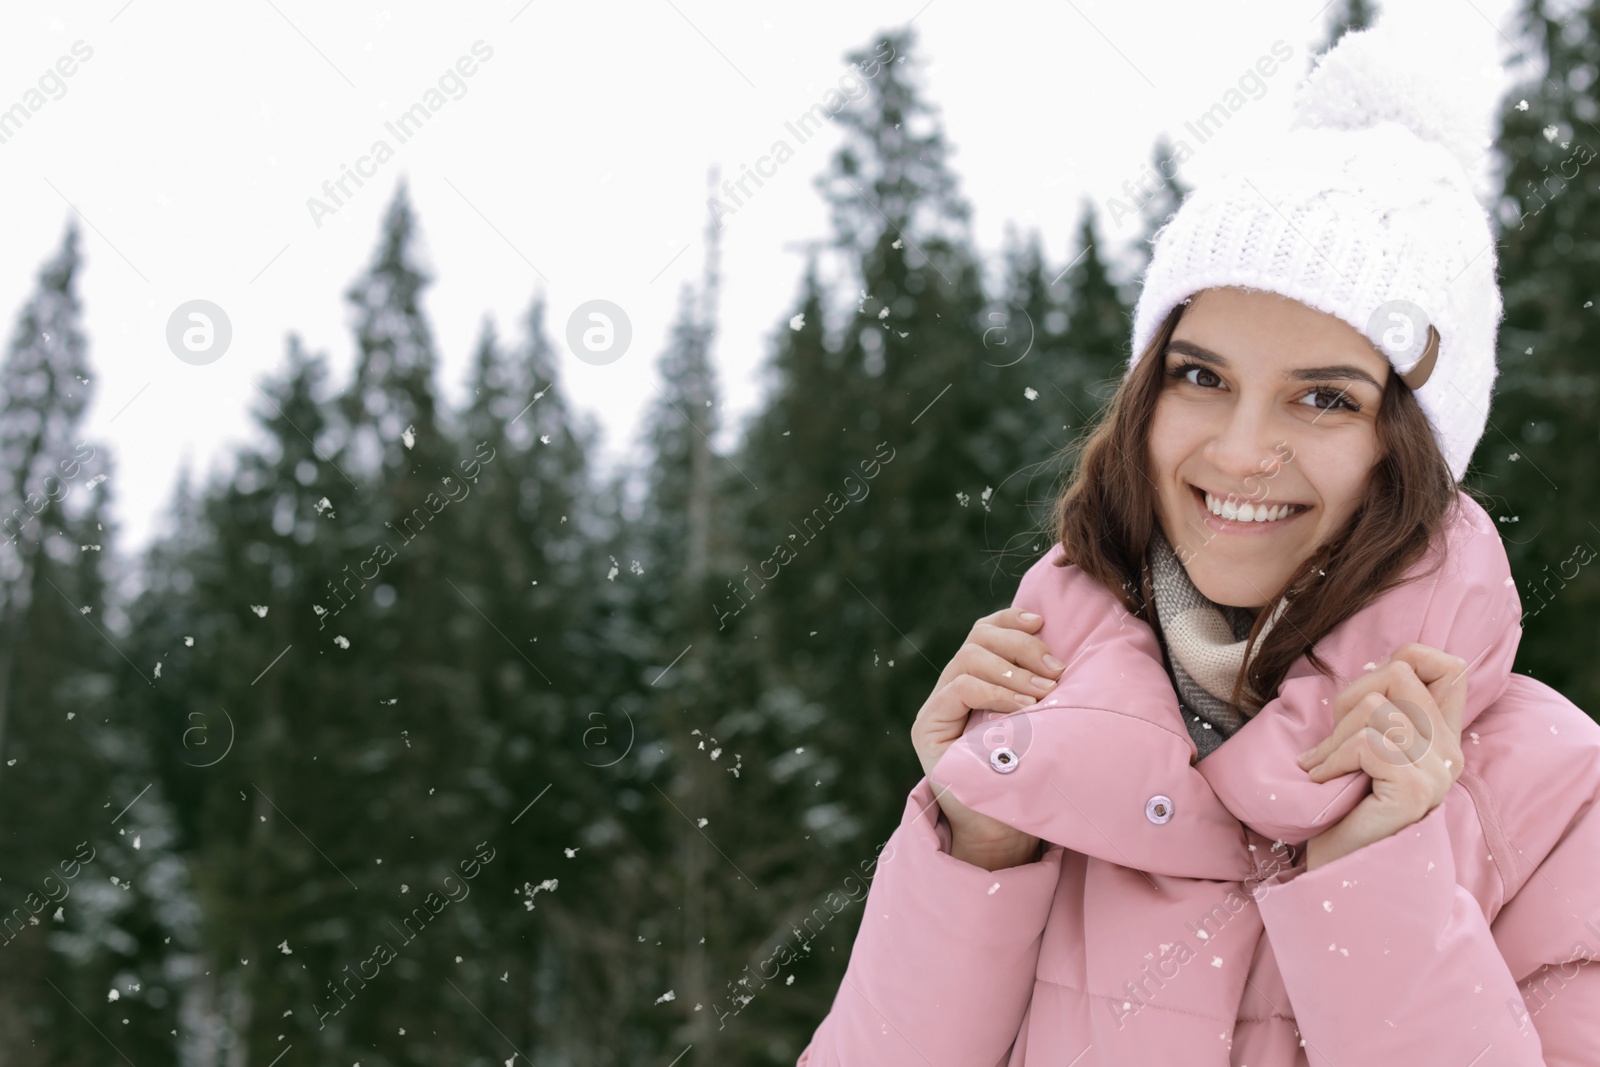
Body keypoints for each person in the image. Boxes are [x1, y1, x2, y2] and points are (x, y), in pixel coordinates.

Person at [797, 12, 1600, 1067]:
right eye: (1200, 376)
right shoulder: (1038, 731)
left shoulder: (1554, 787)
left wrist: (1373, 875)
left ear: (1408, 447)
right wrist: (976, 842)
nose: (1241, 448)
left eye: (1322, 397)